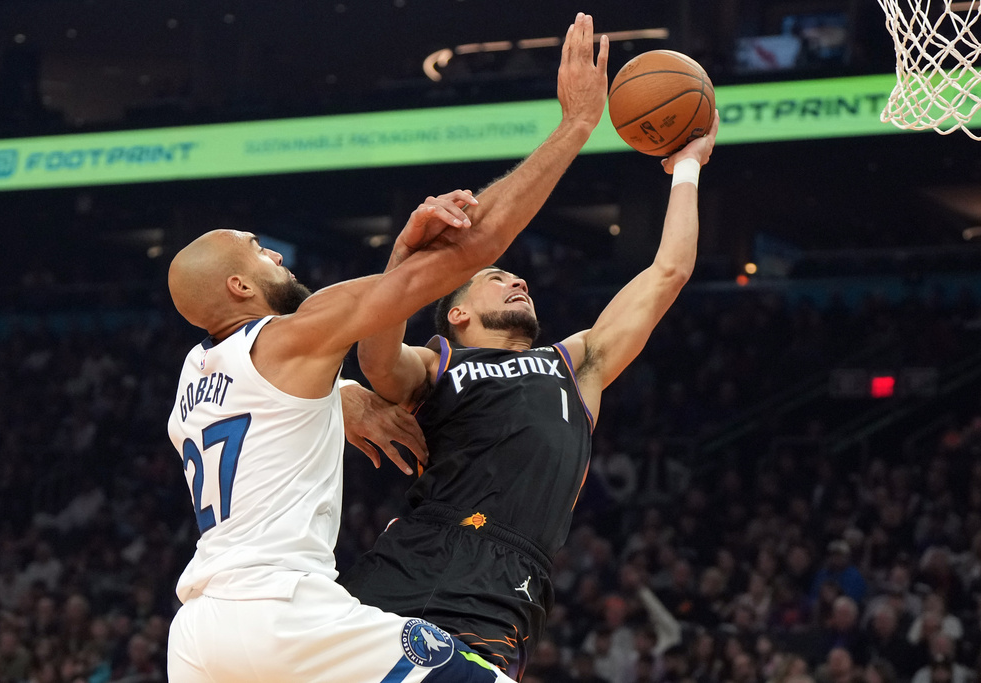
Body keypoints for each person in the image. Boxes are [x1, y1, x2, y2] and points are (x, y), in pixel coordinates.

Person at [163, 12, 610, 683]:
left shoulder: (193, 378)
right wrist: (575, 125)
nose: (277, 252)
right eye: (259, 251)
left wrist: (344, 395)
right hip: (281, 614)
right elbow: (477, 247)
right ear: (238, 285)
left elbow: (271, 412)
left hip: (197, 635)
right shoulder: (297, 332)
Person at [342, 108, 719, 679]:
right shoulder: (439, 362)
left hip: (506, 580)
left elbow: (668, 271)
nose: (518, 280)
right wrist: (403, 262)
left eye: (517, 278)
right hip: (419, 551)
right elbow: (376, 360)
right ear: (458, 311)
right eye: (497, 278)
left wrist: (687, 168)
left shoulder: (578, 363)